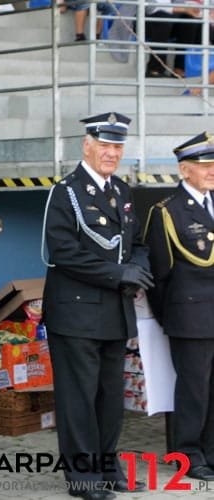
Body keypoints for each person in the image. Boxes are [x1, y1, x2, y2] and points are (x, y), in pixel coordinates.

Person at [41, 112, 152, 500]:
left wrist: (137, 266)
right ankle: (83, 479)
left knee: (110, 401)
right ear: (86, 146)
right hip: (75, 314)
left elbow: (135, 242)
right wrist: (118, 274)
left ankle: (108, 468)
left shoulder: (121, 191)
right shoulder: (66, 191)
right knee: (78, 400)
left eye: (117, 146)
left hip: (114, 313)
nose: (111, 153)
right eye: (104, 145)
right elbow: (63, 252)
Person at [144, 132, 214, 481]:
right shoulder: (168, 211)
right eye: (204, 165)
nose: (212, 171)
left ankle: (211, 452)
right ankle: (187, 453)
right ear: (185, 171)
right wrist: (169, 317)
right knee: (194, 388)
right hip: (190, 316)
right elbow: (159, 275)